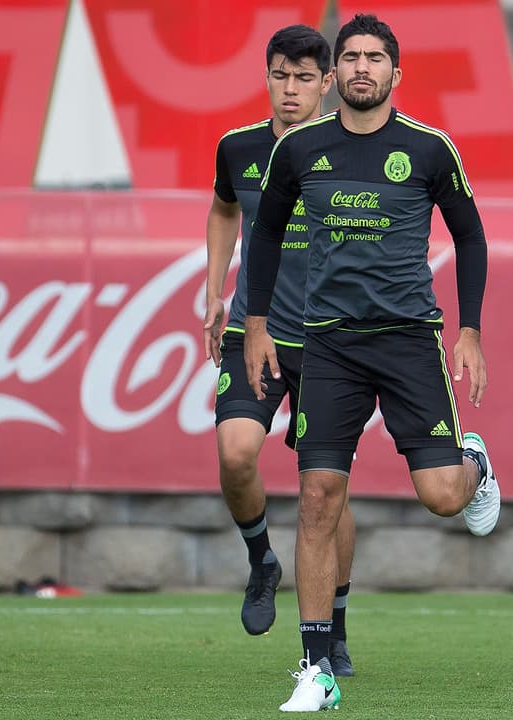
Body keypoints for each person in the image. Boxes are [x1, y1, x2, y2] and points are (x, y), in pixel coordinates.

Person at [242, 13, 501, 712]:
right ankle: (315, 668)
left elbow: (472, 238)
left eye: (375, 58)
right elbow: (265, 235)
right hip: (328, 344)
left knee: (441, 496)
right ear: (337, 75)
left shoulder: (429, 148)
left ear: (395, 73)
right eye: (352, 57)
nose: (362, 67)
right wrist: (257, 326)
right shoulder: (299, 148)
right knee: (318, 497)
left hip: (410, 340)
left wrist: (470, 331)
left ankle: (475, 465)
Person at [202, 23, 357, 674]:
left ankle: (336, 627)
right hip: (253, 329)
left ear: (327, 83)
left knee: (326, 490)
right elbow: (223, 210)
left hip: (330, 342)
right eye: (279, 75)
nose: (290, 89)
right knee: (236, 453)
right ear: (266, 76)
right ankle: (261, 558)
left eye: (303, 78)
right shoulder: (238, 147)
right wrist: (215, 291)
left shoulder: (353, 151)